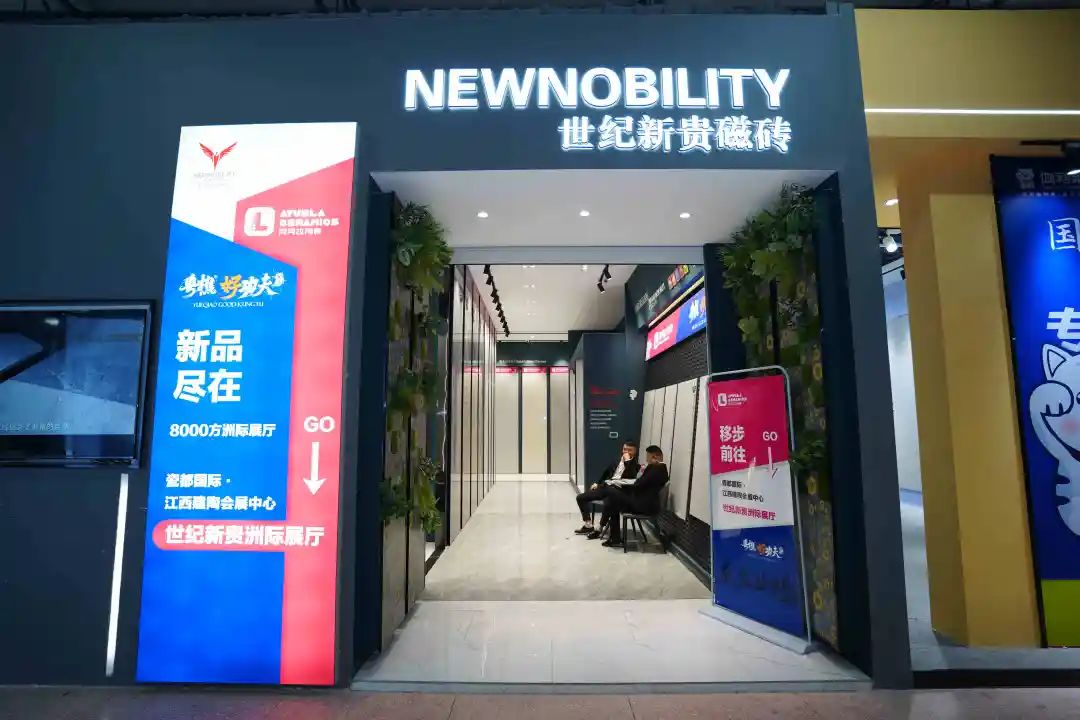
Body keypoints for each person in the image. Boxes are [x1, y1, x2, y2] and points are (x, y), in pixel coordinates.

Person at [590, 445, 669, 547]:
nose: (647, 460)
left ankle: (613, 537)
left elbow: (639, 485)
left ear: (655, 457)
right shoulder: (661, 469)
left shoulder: (655, 469)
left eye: (648, 458)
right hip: (644, 501)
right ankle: (613, 537)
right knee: (612, 499)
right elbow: (641, 483)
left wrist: (628, 484)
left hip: (643, 505)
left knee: (612, 497)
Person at [573, 440, 640, 535]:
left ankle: (600, 528)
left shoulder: (635, 465)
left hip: (619, 491)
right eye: (625, 449)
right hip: (606, 487)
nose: (627, 452)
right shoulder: (616, 460)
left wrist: (627, 461)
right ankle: (588, 525)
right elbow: (605, 473)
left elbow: (631, 475)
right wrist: (597, 483)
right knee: (580, 497)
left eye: (630, 450)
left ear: (635, 452)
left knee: (609, 503)